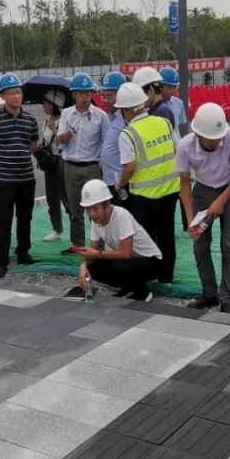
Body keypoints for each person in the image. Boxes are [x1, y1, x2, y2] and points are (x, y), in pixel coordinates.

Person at [176, 103, 230, 312]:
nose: (215, 141)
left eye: (218, 137)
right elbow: (184, 184)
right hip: (202, 191)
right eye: (210, 138)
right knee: (200, 244)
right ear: (198, 134)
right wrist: (190, 220)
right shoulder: (185, 146)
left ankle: (227, 298)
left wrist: (221, 201)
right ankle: (209, 294)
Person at [112, 81, 179, 283]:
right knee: (167, 234)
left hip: (145, 196)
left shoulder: (128, 134)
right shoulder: (164, 123)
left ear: (126, 110)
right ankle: (166, 277)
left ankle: (146, 277)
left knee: (143, 238)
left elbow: (129, 167)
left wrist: (120, 184)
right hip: (171, 190)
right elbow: (175, 148)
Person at [0, 73, 40, 279]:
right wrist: (3, 160)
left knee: (25, 218)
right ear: (3, 96)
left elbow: (33, 146)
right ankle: (2, 261)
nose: (16, 96)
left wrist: (18, 155)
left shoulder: (30, 120)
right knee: (4, 221)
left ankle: (23, 253)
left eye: (18, 92)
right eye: (11, 93)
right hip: (3, 179)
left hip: (26, 178)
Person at [76, 179, 162, 302]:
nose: (92, 214)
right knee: (93, 266)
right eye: (88, 209)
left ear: (107, 204)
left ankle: (143, 293)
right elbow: (92, 252)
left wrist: (97, 254)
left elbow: (126, 253)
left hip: (152, 262)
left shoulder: (121, 216)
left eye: (95, 208)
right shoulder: (96, 221)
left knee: (117, 265)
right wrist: (83, 266)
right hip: (132, 261)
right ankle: (128, 287)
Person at [58, 73, 110, 251]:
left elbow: (106, 143)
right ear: (73, 95)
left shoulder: (100, 116)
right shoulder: (66, 114)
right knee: (75, 209)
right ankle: (77, 243)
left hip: (92, 167)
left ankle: (99, 245)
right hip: (71, 167)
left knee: (96, 209)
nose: (84, 97)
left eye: (88, 93)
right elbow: (60, 140)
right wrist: (67, 135)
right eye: (80, 93)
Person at [37, 90, 66, 243]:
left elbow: (65, 143)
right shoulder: (46, 121)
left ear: (53, 104)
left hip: (61, 162)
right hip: (49, 163)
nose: (43, 106)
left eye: (45, 103)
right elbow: (45, 142)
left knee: (67, 198)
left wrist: (54, 129)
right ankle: (56, 229)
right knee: (52, 197)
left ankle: (76, 231)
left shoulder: (64, 120)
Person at [99, 71, 128, 206]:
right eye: (103, 96)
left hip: (121, 183)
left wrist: (121, 182)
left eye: (109, 96)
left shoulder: (126, 120)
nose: (105, 101)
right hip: (108, 180)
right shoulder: (108, 117)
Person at [159, 67, 189, 134]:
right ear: (160, 86)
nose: (172, 91)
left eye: (174, 87)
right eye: (169, 87)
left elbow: (180, 127)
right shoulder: (152, 106)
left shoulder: (179, 103)